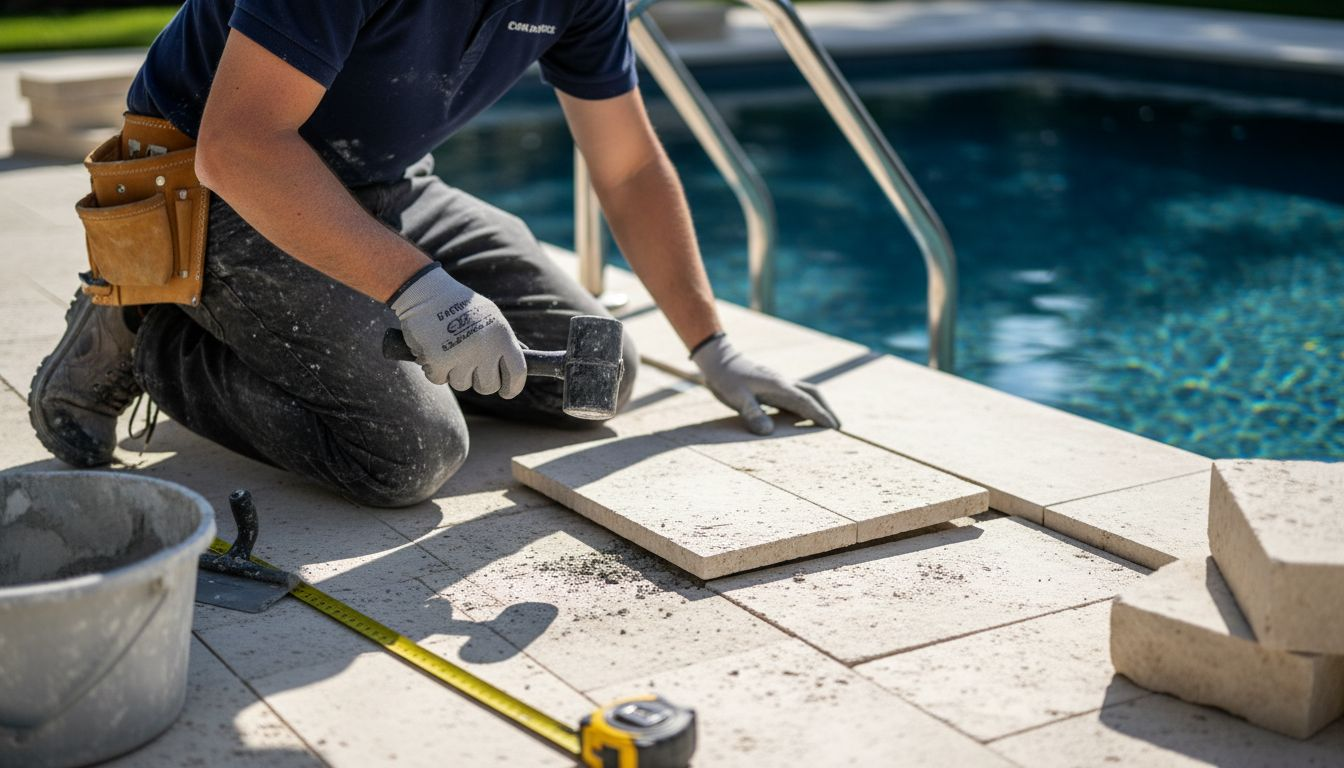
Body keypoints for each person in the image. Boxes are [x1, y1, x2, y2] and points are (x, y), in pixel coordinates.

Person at [28, 0, 840, 507]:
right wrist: (420, 291)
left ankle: (296, 325)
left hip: (387, 183)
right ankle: (148, 317)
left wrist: (714, 346)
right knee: (410, 453)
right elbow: (238, 149)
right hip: (206, 189)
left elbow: (626, 167)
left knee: (599, 375)